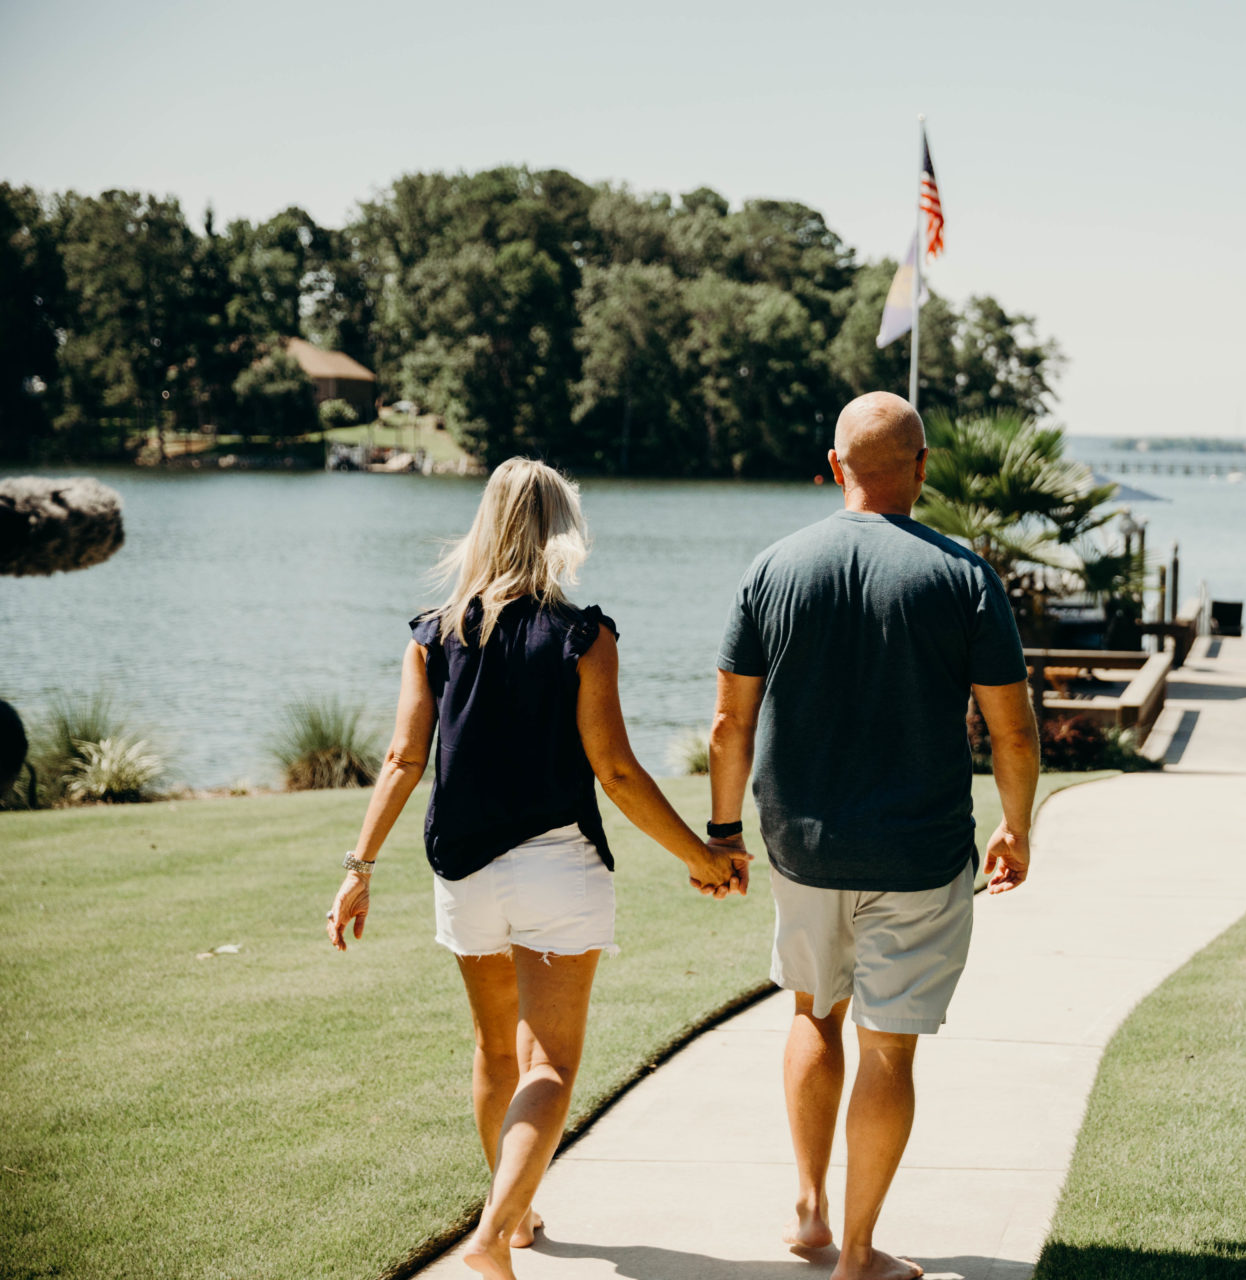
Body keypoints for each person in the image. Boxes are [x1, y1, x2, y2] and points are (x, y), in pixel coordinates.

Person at [323, 458, 747, 1280]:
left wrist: (359, 866)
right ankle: (490, 1238)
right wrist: (702, 855)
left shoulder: (430, 633)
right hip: (559, 866)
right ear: (563, 534)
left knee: (493, 1053)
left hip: (464, 871)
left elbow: (402, 759)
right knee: (547, 1063)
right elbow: (616, 771)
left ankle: (513, 1222)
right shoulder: (584, 635)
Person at [706, 392, 1042, 1280]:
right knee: (888, 1045)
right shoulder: (964, 577)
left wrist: (723, 830)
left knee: (814, 1016)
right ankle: (858, 1255)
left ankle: (810, 1209)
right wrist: (1017, 826)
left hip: (803, 849)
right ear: (921, 468)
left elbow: (729, 725)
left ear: (833, 465)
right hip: (919, 854)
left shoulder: (774, 567)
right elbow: (1012, 730)